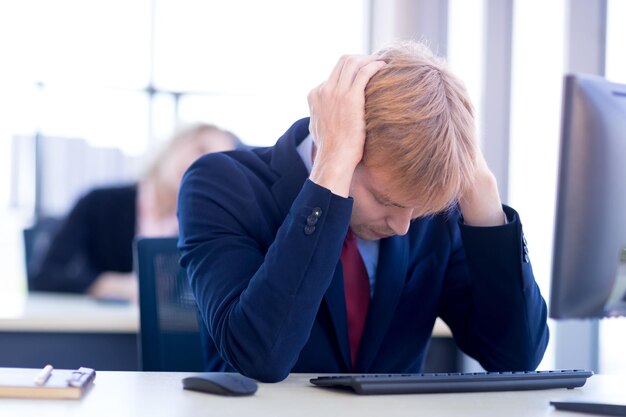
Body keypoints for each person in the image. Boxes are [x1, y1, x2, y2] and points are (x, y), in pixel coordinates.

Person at [177, 41, 549, 382]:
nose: (403, 226)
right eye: (385, 200)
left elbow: (515, 357)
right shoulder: (220, 186)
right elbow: (261, 356)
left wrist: (480, 188)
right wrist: (331, 172)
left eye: (415, 209)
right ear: (337, 143)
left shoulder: (429, 214)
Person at [30, 124, 240, 302]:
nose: (200, 164)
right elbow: (43, 276)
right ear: (175, 146)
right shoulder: (98, 202)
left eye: (216, 160)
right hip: (99, 332)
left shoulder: (208, 227)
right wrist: (106, 284)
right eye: (199, 149)